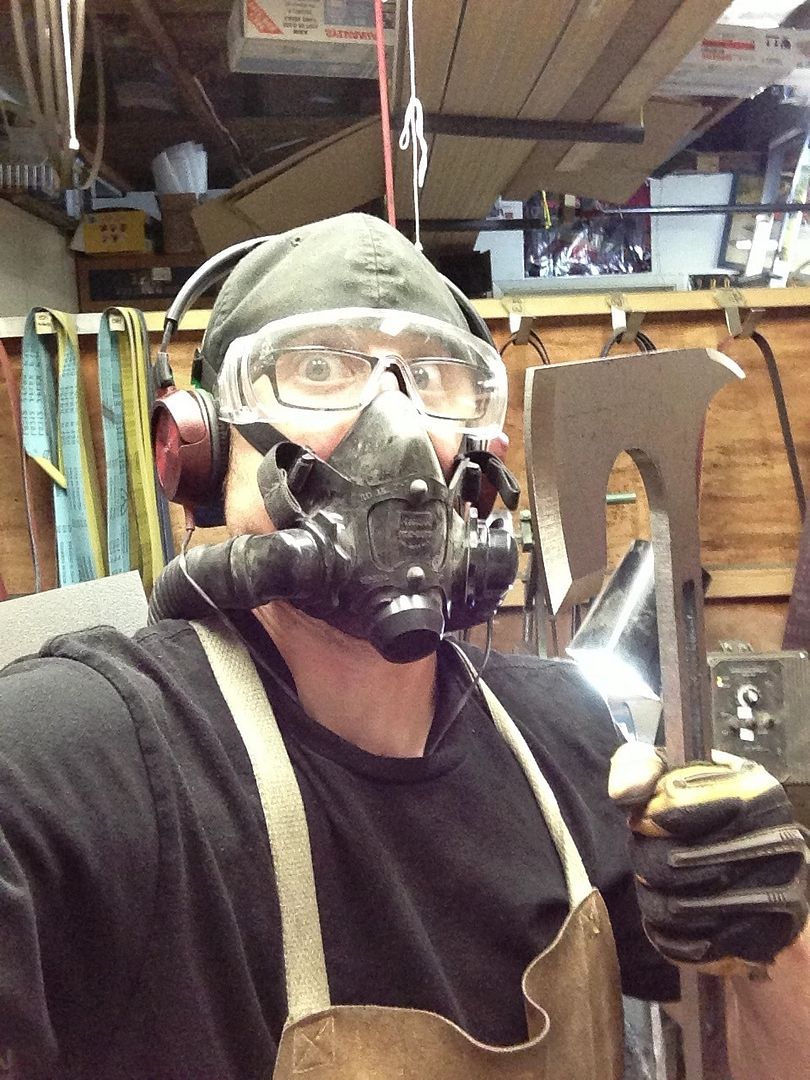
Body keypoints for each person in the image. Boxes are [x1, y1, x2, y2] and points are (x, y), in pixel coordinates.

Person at [0, 213, 807, 1080]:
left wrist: (774, 935)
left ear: (480, 460)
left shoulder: (568, 735)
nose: (394, 422)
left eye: (434, 378)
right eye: (317, 370)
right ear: (200, 448)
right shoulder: (77, 756)